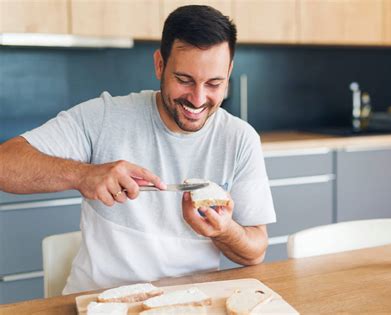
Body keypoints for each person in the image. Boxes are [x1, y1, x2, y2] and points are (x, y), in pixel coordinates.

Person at [0, 5, 275, 294]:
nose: (198, 98)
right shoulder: (104, 117)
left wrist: (223, 230)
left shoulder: (240, 138)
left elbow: (255, 252)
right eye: (184, 80)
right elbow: (5, 164)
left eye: (214, 83)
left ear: (229, 71)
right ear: (160, 64)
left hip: (188, 304)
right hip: (99, 302)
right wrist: (83, 176)